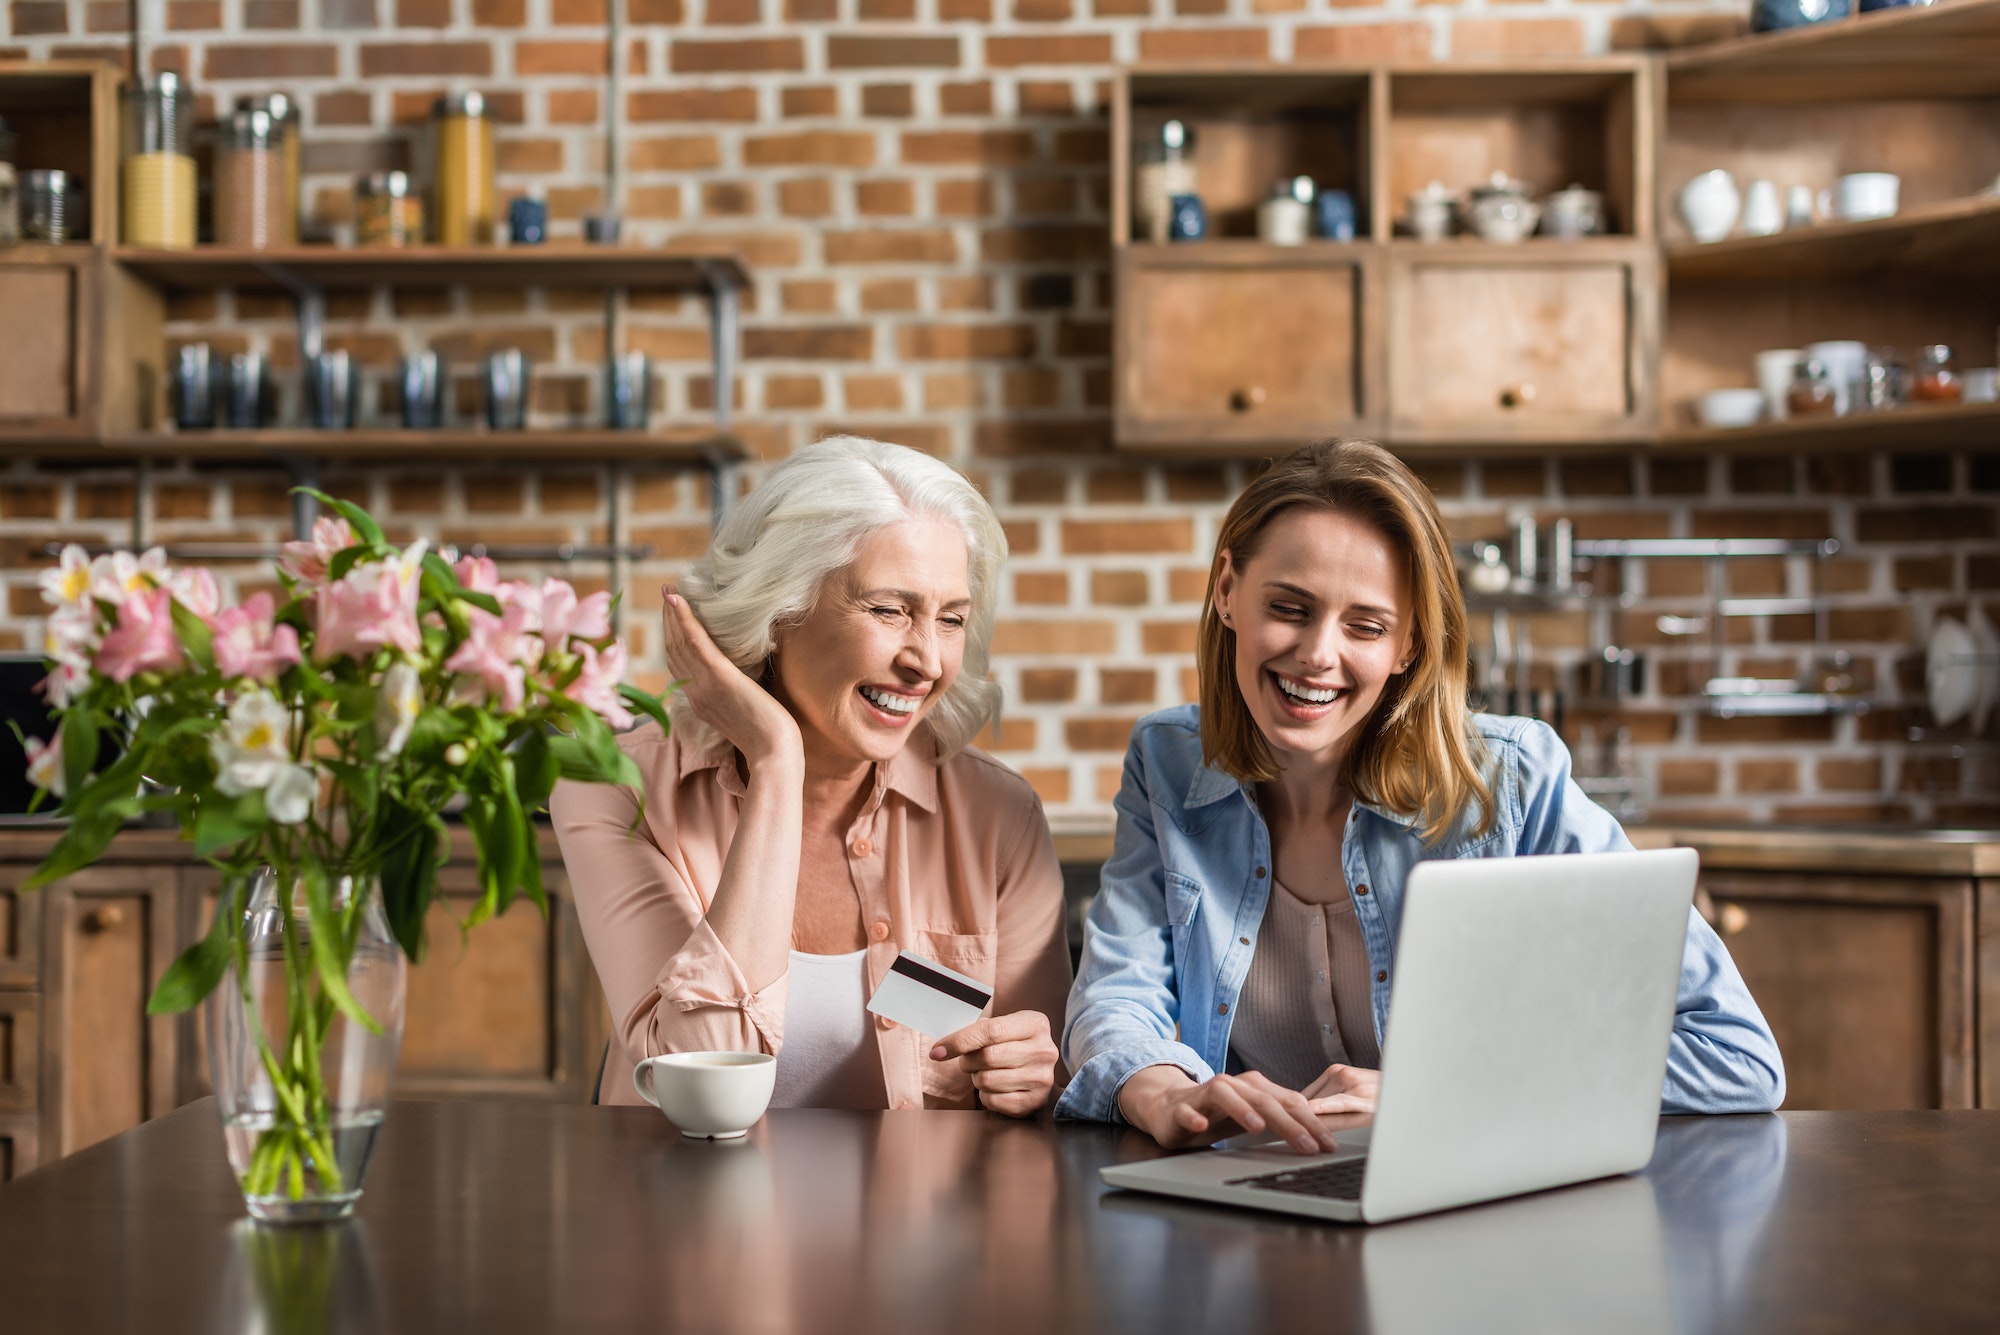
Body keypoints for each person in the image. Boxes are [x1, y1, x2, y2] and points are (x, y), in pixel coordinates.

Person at [1055, 438, 1784, 1154]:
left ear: (1408, 645)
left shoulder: (1513, 782)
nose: (1317, 654)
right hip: (1253, 1204)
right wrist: (1161, 1089)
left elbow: (1734, 1054)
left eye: (1365, 625)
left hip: (1463, 1210)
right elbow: (1118, 995)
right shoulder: (1167, 763)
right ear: (1226, 591)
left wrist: (1434, 1096)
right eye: (1289, 606)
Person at [552, 436, 1069, 1114]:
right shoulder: (615, 790)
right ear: (778, 612)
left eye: (950, 620)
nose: (927, 660)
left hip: (926, 1222)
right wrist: (775, 763)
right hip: (687, 1216)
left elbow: (1046, 1107)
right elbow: (699, 1090)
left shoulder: (998, 817)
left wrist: (1033, 1078)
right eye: (889, 609)